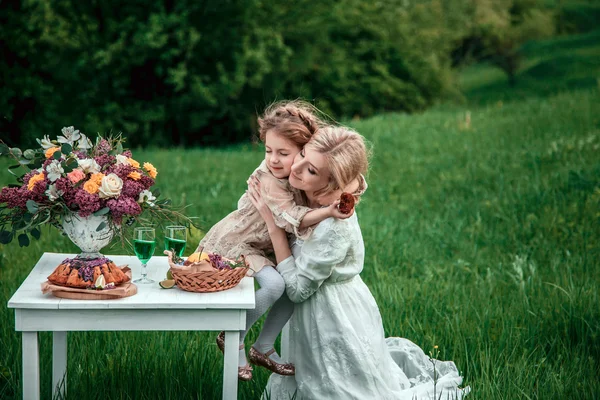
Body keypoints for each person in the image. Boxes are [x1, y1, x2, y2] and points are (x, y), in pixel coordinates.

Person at [246, 125, 470, 399]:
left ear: (332, 184)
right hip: (309, 317)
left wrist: (273, 225)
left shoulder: (333, 228)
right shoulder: (314, 194)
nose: (296, 167)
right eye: (302, 154)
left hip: (332, 317)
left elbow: (296, 290)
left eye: (311, 170)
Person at [195, 100, 352, 381]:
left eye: (283, 153)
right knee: (276, 284)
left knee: (291, 292)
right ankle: (233, 336)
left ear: (304, 151)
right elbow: (290, 216)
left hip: (265, 245)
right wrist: (328, 211)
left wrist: (351, 189)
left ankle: (263, 346)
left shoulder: (298, 168)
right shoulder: (269, 179)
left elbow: (336, 158)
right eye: (268, 151)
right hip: (241, 241)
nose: (274, 159)